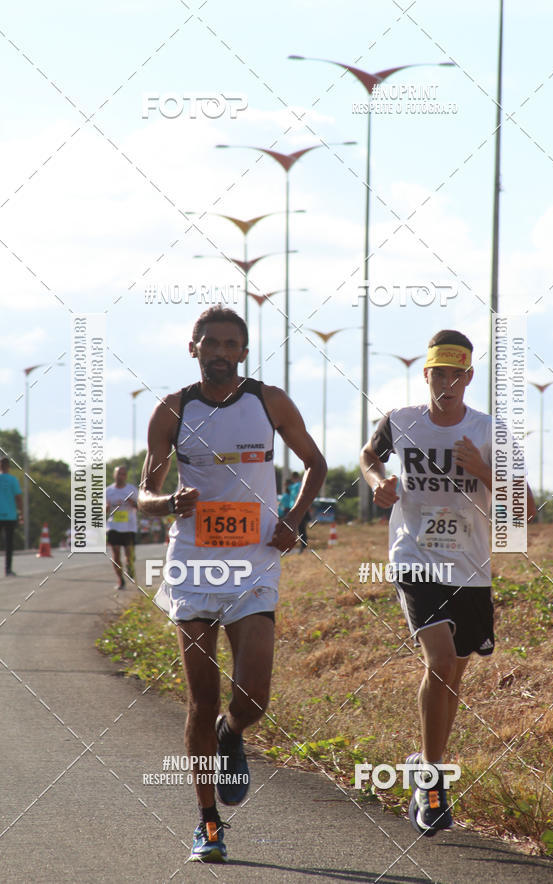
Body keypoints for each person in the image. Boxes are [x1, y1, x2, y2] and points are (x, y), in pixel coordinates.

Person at [138, 306, 326, 863]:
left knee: (252, 699)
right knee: (201, 700)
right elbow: (144, 496)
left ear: (243, 352)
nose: (219, 352)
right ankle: (207, 822)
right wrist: (167, 502)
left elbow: (315, 463)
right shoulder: (173, 410)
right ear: (192, 347)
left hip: (254, 561)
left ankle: (233, 731)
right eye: (210, 343)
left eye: (230, 344)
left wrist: (294, 517)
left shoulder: (269, 402)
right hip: (194, 565)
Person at [360, 329, 536, 836]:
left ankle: (426, 760)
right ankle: (432, 781)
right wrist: (378, 482)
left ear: (469, 377)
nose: (448, 384)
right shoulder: (401, 421)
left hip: (470, 566)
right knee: (438, 662)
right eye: (439, 374)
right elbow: (370, 455)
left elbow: (525, 508)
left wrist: (482, 469)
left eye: (457, 375)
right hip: (414, 558)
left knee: (452, 675)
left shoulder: (490, 431)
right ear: (427, 375)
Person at [106, 466, 138, 589]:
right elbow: (102, 509)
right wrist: (106, 508)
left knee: (129, 555)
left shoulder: (132, 489)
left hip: (129, 527)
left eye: (123, 474)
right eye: (119, 473)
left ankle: (130, 566)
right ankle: (120, 580)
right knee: (115, 554)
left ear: (126, 476)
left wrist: (132, 503)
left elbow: (140, 506)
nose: (121, 476)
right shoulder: (108, 491)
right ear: (114, 475)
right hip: (113, 526)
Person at [0, 457, 23, 576]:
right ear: (8, 466)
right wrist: (21, 514)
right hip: (10, 515)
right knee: (9, 543)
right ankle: (8, 570)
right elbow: (18, 499)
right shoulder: (13, 480)